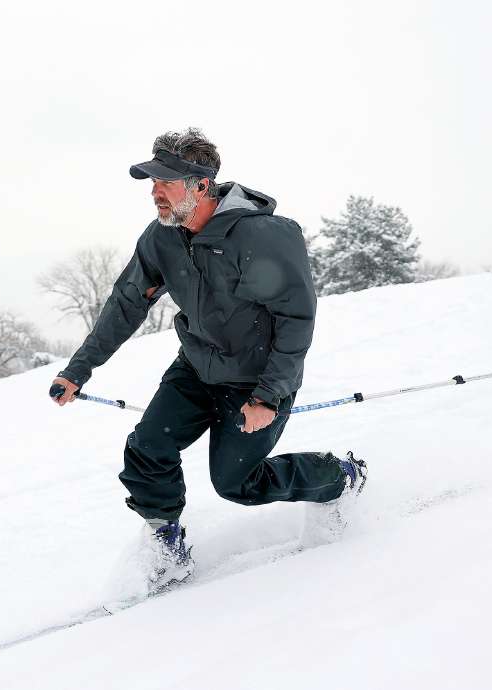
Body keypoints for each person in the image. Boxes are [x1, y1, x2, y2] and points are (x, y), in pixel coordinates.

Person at [48, 128, 366, 592]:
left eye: (166, 181)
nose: (155, 191)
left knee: (239, 483)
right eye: (151, 182)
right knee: (147, 448)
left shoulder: (264, 236)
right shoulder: (162, 238)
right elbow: (127, 303)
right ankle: (166, 546)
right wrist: (78, 369)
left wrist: (269, 395)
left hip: (256, 379)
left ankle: (339, 476)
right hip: (196, 368)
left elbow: (296, 319)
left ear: (200, 185)